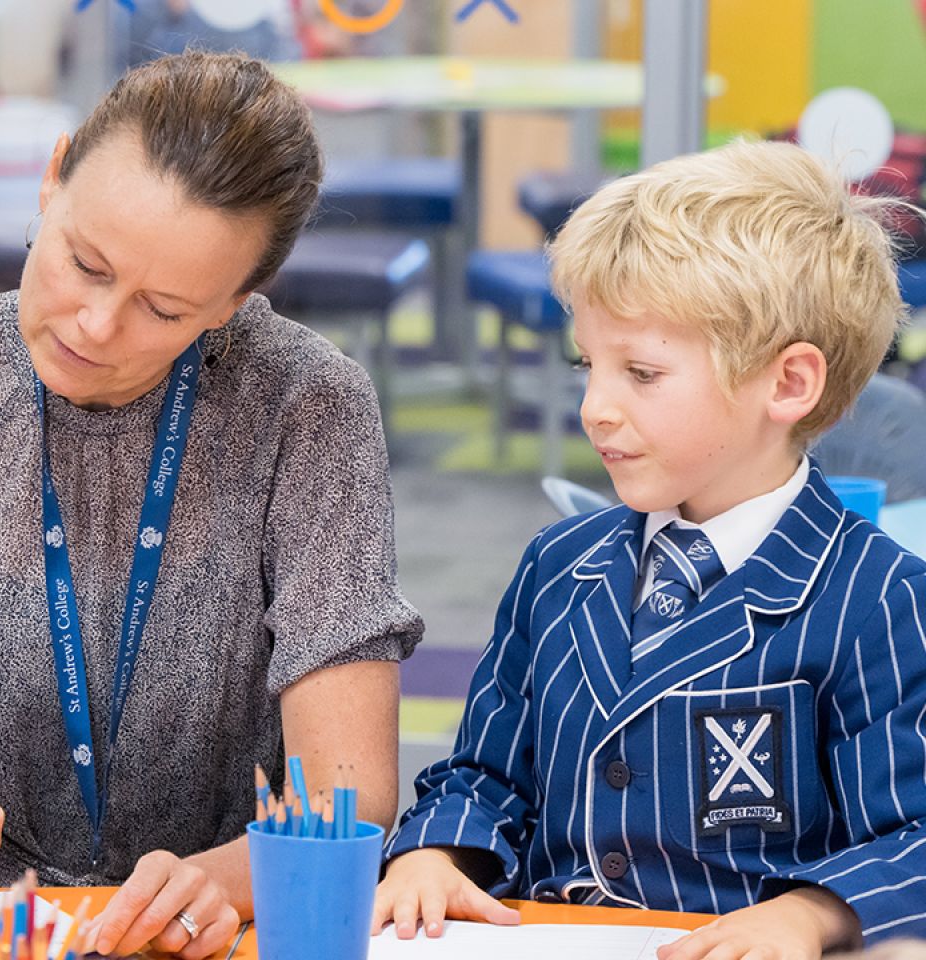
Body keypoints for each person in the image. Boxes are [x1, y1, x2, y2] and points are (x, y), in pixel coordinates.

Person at [0, 50, 420, 959]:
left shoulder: (306, 404)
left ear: (234, 305)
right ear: (53, 179)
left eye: (165, 309)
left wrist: (215, 882)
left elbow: (348, 791)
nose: (97, 326)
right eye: (85, 264)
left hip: (215, 937)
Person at [373, 140, 926, 955]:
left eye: (641, 372)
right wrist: (434, 852)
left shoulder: (878, 599)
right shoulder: (557, 567)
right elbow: (482, 776)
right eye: (586, 364)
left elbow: (913, 834)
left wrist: (808, 914)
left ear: (789, 384)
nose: (595, 406)